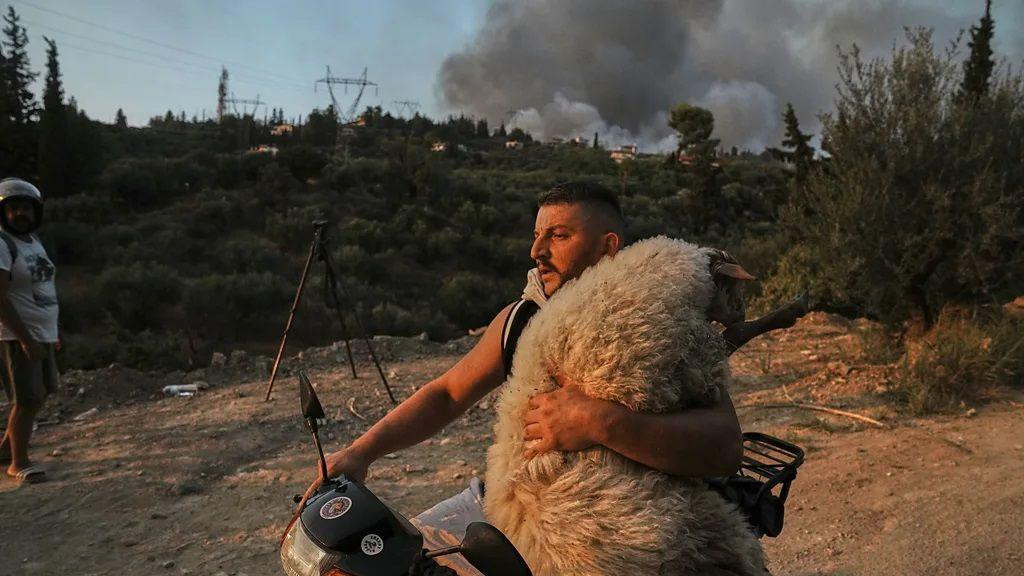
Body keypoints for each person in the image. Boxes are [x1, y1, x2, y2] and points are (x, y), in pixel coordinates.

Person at [304, 181, 743, 558]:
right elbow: (448, 393)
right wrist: (361, 453)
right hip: (506, 504)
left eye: (559, 236)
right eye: (537, 235)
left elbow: (723, 446)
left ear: (608, 246)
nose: (537, 251)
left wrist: (602, 422)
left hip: (611, 526)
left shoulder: (655, 321)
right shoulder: (523, 318)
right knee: (391, 558)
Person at [0, 178, 61, 485]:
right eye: (13, 209)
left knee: (44, 391)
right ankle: (17, 463)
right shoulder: (2, 243)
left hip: (42, 331)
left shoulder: (32, 241)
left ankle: (5, 449)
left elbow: (42, 286)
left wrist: (53, 332)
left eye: (25, 208)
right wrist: (25, 339)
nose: (19, 214)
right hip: (16, 336)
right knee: (27, 398)